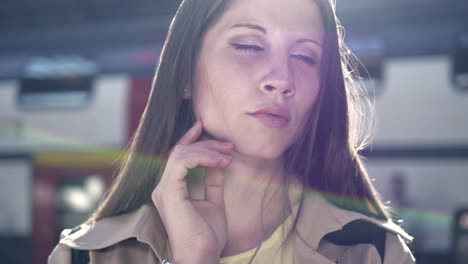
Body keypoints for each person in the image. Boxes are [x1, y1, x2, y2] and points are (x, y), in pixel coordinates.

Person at [48, 0, 416, 263]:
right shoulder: (85, 256)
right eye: (248, 45)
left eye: (305, 56)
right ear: (185, 77)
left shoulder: (377, 253)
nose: (282, 80)